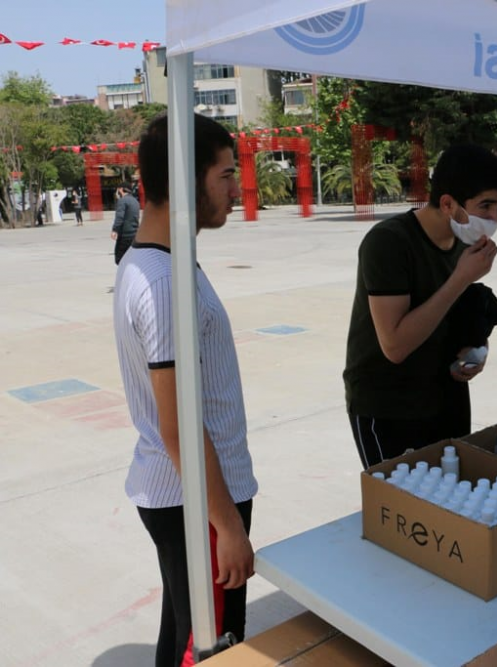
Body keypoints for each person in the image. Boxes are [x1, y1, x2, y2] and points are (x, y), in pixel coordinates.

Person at [113, 113, 256, 667]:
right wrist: (226, 525)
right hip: (194, 498)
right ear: (184, 180)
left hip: (189, 492)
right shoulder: (164, 281)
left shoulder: (157, 263)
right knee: (210, 645)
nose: (236, 188)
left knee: (184, 631)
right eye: (225, 174)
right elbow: (178, 424)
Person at [344, 144, 497, 468]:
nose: (494, 218)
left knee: (450, 501)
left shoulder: (465, 243)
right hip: (389, 405)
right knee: (401, 507)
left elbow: (459, 314)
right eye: (485, 205)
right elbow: (394, 345)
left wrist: (477, 350)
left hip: (445, 397)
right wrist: (461, 278)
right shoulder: (389, 242)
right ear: (448, 203)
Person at [112, 183, 141, 264]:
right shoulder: (135, 201)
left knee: (119, 259)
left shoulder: (122, 201)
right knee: (131, 259)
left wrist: (115, 230)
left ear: (121, 189)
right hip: (134, 235)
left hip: (124, 236)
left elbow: (119, 217)